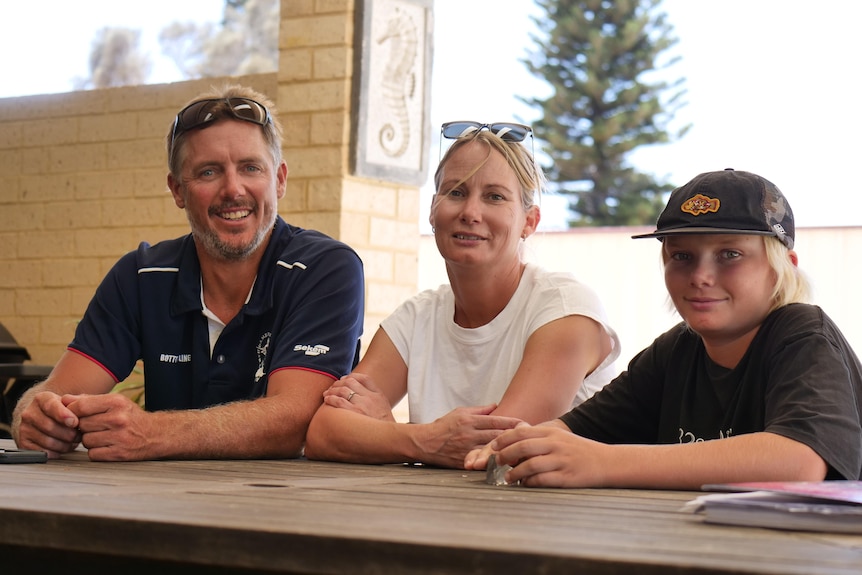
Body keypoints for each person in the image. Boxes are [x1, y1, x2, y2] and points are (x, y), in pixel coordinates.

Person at [12, 85, 365, 461]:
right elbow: (57, 392)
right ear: (177, 189)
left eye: (250, 168)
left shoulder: (325, 268)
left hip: (292, 509)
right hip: (166, 505)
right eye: (208, 172)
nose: (233, 189)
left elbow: (295, 420)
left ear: (279, 179)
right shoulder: (141, 275)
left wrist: (152, 432)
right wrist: (34, 417)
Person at [465, 168, 862, 486]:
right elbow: (576, 432)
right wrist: (519, 446)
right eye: (682, 256)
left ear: (782, 270)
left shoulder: (802, 332)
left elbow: (800, 460)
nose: (701, 276)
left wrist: (604, 463)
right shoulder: (677, 351)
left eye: (730, 254)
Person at [304, 121, 619, 468]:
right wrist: (421, 440)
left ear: (529, 222)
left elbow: (493, 450)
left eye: (494, 196)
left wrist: (385, 431)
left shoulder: (567, 311)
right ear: (433, 212)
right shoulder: (416, 318)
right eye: (455, 192)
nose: (470, 213)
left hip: (553, 518)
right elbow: (323, 432)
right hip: (444, 515)